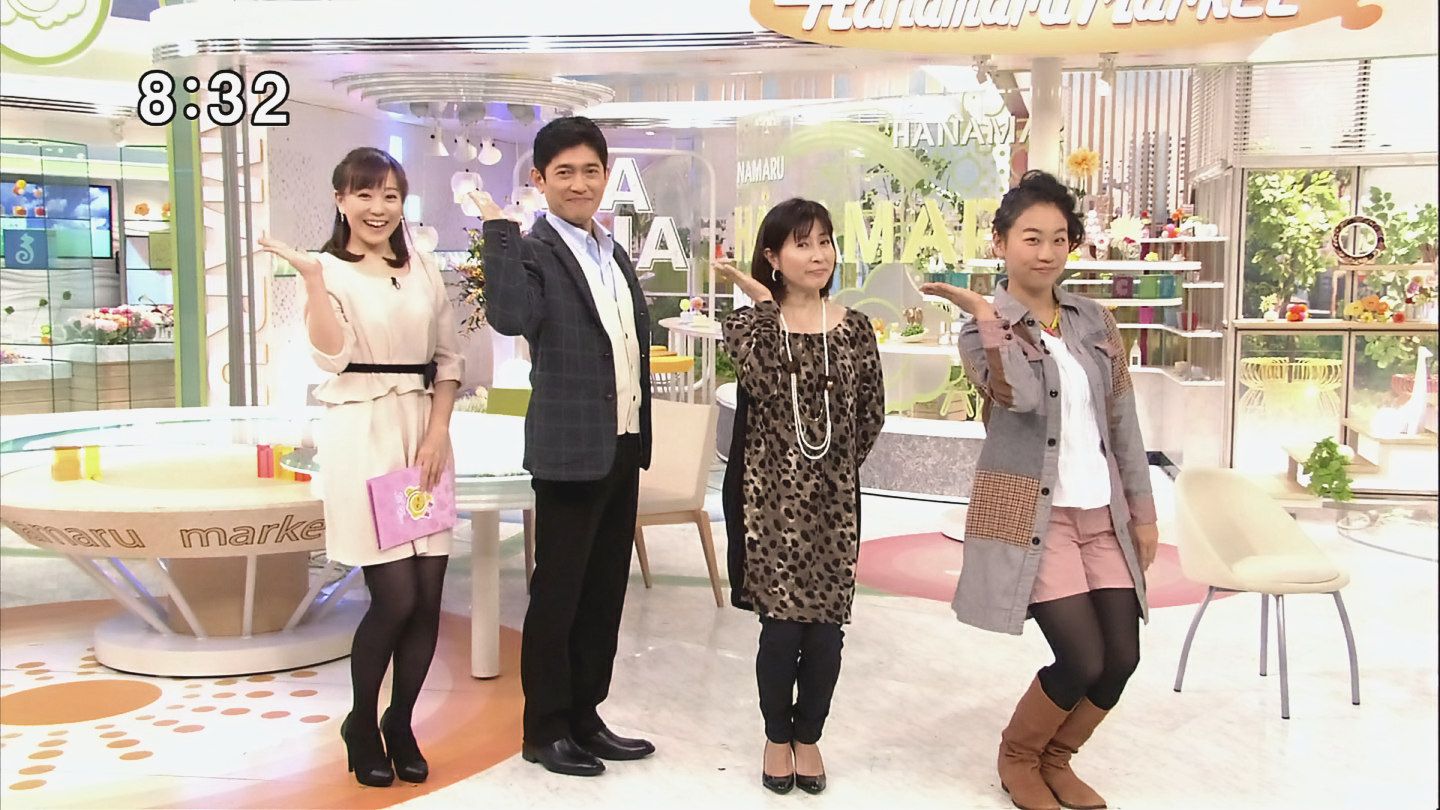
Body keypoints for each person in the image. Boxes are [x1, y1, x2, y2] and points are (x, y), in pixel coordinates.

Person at [921, 170, 1158, 810]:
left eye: (1059, 238)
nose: (1047, 252)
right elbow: (1019, 398)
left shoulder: (1094, 320)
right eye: (1031, 238)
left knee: (1122, 658)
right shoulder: (980, 331)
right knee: (1080, 658)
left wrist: (1142, 512)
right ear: (1001, 243)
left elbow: (1123, 422)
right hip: (1036, 517)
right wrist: (989, 318)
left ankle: (1058, 758)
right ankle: (1019, 756)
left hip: (1103, 514)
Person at [259, 147, 463, 788]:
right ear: (340, 199)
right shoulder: (326, 269)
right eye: (365, 194)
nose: (379, 208)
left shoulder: (423, 266)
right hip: (362, 433)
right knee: (395, 595)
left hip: (422, 436)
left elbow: (448, 359)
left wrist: (438, 432)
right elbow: (331, 355)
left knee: (427, 596)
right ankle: (362, 722)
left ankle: (400, 723)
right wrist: (313, 282)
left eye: (391, 195)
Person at [471, 116, 654, 777]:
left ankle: (585, 716)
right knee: (559, 595)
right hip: (569, 448)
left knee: (603, 593)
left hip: (621, 444)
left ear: (606, 175)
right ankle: (544, 729)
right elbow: (510, 317)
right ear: (540, 179)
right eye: (565, 172)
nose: (580, 184)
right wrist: (498, 231)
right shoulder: (534, 249)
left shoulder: (613, 252)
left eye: (591, 170)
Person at [716, 198, 885, 795]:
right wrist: (765, 305)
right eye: (802, 243)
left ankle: (808, 736)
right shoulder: (748, 326)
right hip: (768, 502)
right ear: (773, 256)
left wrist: (830, 469)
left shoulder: (855, 328)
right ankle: (775, 736)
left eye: (825, 241)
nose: (818, 255)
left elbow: (870, 414)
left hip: (835, 503)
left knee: (827, 634)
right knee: (782, 630)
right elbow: (764, 380)